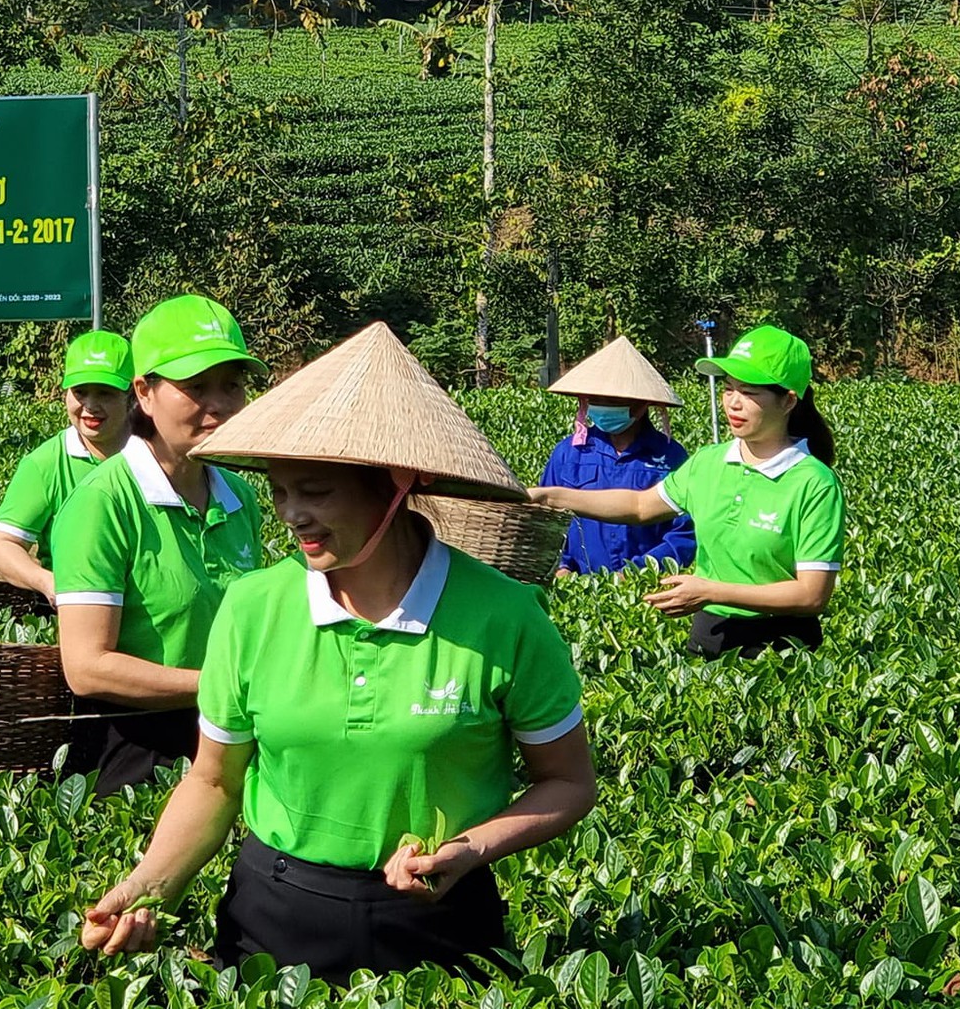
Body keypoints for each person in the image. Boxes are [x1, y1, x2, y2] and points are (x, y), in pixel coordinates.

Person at [81, 322, 594, 982]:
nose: (292, 514)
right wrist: (149, 884)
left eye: (316, 491)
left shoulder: (502, 616)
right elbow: (214, 781)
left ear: (396, 482)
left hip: (440, 919)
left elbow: (569, 782)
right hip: (274, 915)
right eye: (280, 491)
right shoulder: (253, 608)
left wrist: (471, 848)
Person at [50, 295, 265, 794]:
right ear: (144, 393)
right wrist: (219, 686)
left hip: (228, 733)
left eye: (232, 385)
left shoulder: (241, 497)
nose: (219, 405)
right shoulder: (102, 502)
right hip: (131, 751)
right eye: (195, 387)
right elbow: (86, 667)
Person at [530, 324, 843, 658]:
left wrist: (710, 591)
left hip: (781, 646)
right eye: (728, 389)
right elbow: (639, 506)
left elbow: (811, 595)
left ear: (788, 401)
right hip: (708, 634)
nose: (733, 403)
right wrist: (552, 497)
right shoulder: (708, 462)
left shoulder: (814, 483)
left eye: (750, 392)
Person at [0, 329, 135, 602]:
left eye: (105, 393)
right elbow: (0, 547)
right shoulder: (45, 464)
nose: (90, 406)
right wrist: (51, 583)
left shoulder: (155, 453)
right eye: (80, 392)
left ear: (133, 396)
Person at [542, 336, 692, 575]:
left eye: (613, 400)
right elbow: (546, 523)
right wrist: (562, 566)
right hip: (579, 586)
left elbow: (684, 532)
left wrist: (638, 572)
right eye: (595, 399)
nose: (602, 406)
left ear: (642, 404)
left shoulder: (670, 456)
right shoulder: (569, 453)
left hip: (646, 586)